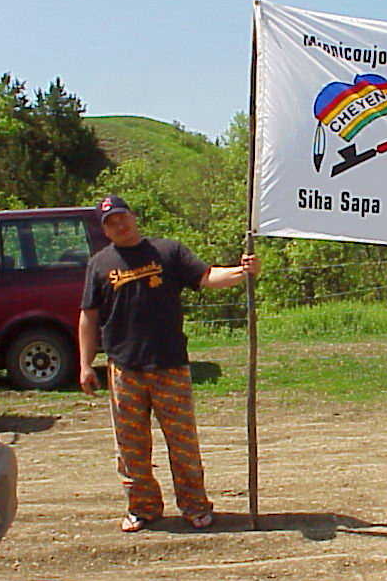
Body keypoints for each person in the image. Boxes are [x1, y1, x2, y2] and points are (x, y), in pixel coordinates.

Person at [78, 195, 261, 532]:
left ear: (133, 217)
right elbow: (88, 316)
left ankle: (195, 506)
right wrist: (86, 364)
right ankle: (143, 508)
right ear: (105, 230)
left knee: (183, 444)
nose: (119, 225)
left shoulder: (168, 252)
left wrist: (241, 271)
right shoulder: (99, 264)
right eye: (110, 222)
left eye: (122, 217)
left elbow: (206, 277)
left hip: (170, 365)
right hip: (124, 369)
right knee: (131, 448)